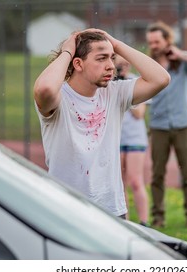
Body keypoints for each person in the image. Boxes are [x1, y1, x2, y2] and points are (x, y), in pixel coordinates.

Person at [33, 28, 170, 219]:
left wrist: (116, 44)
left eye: (112, 58)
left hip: (112, 210)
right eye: (101, 58)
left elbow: (161, 79)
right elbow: (45, 88)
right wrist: (67, 52)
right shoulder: (59, 97)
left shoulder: (115, 93)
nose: (111, 66)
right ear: (78, 64)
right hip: (66, 210)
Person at [145, 21, 187, 228]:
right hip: (158, 127)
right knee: (157, 175)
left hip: (182, 125)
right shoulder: (148, 64)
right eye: (151, 42)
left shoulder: (181, 62)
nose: (154, 45)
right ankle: (158, 217)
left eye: (157, 41)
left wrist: (181, 54)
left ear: (167, 40)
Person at [115, 55, 149, 226]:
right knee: (120, 184)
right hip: (117, 139)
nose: (123, 68)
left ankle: (144, 221)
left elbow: (139, 113)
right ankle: (126, 223)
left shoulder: (136, 82)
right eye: (119, 65)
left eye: (125, 64)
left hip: (135, 138)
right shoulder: (109, 83)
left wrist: (125, 90)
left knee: (136, 181)